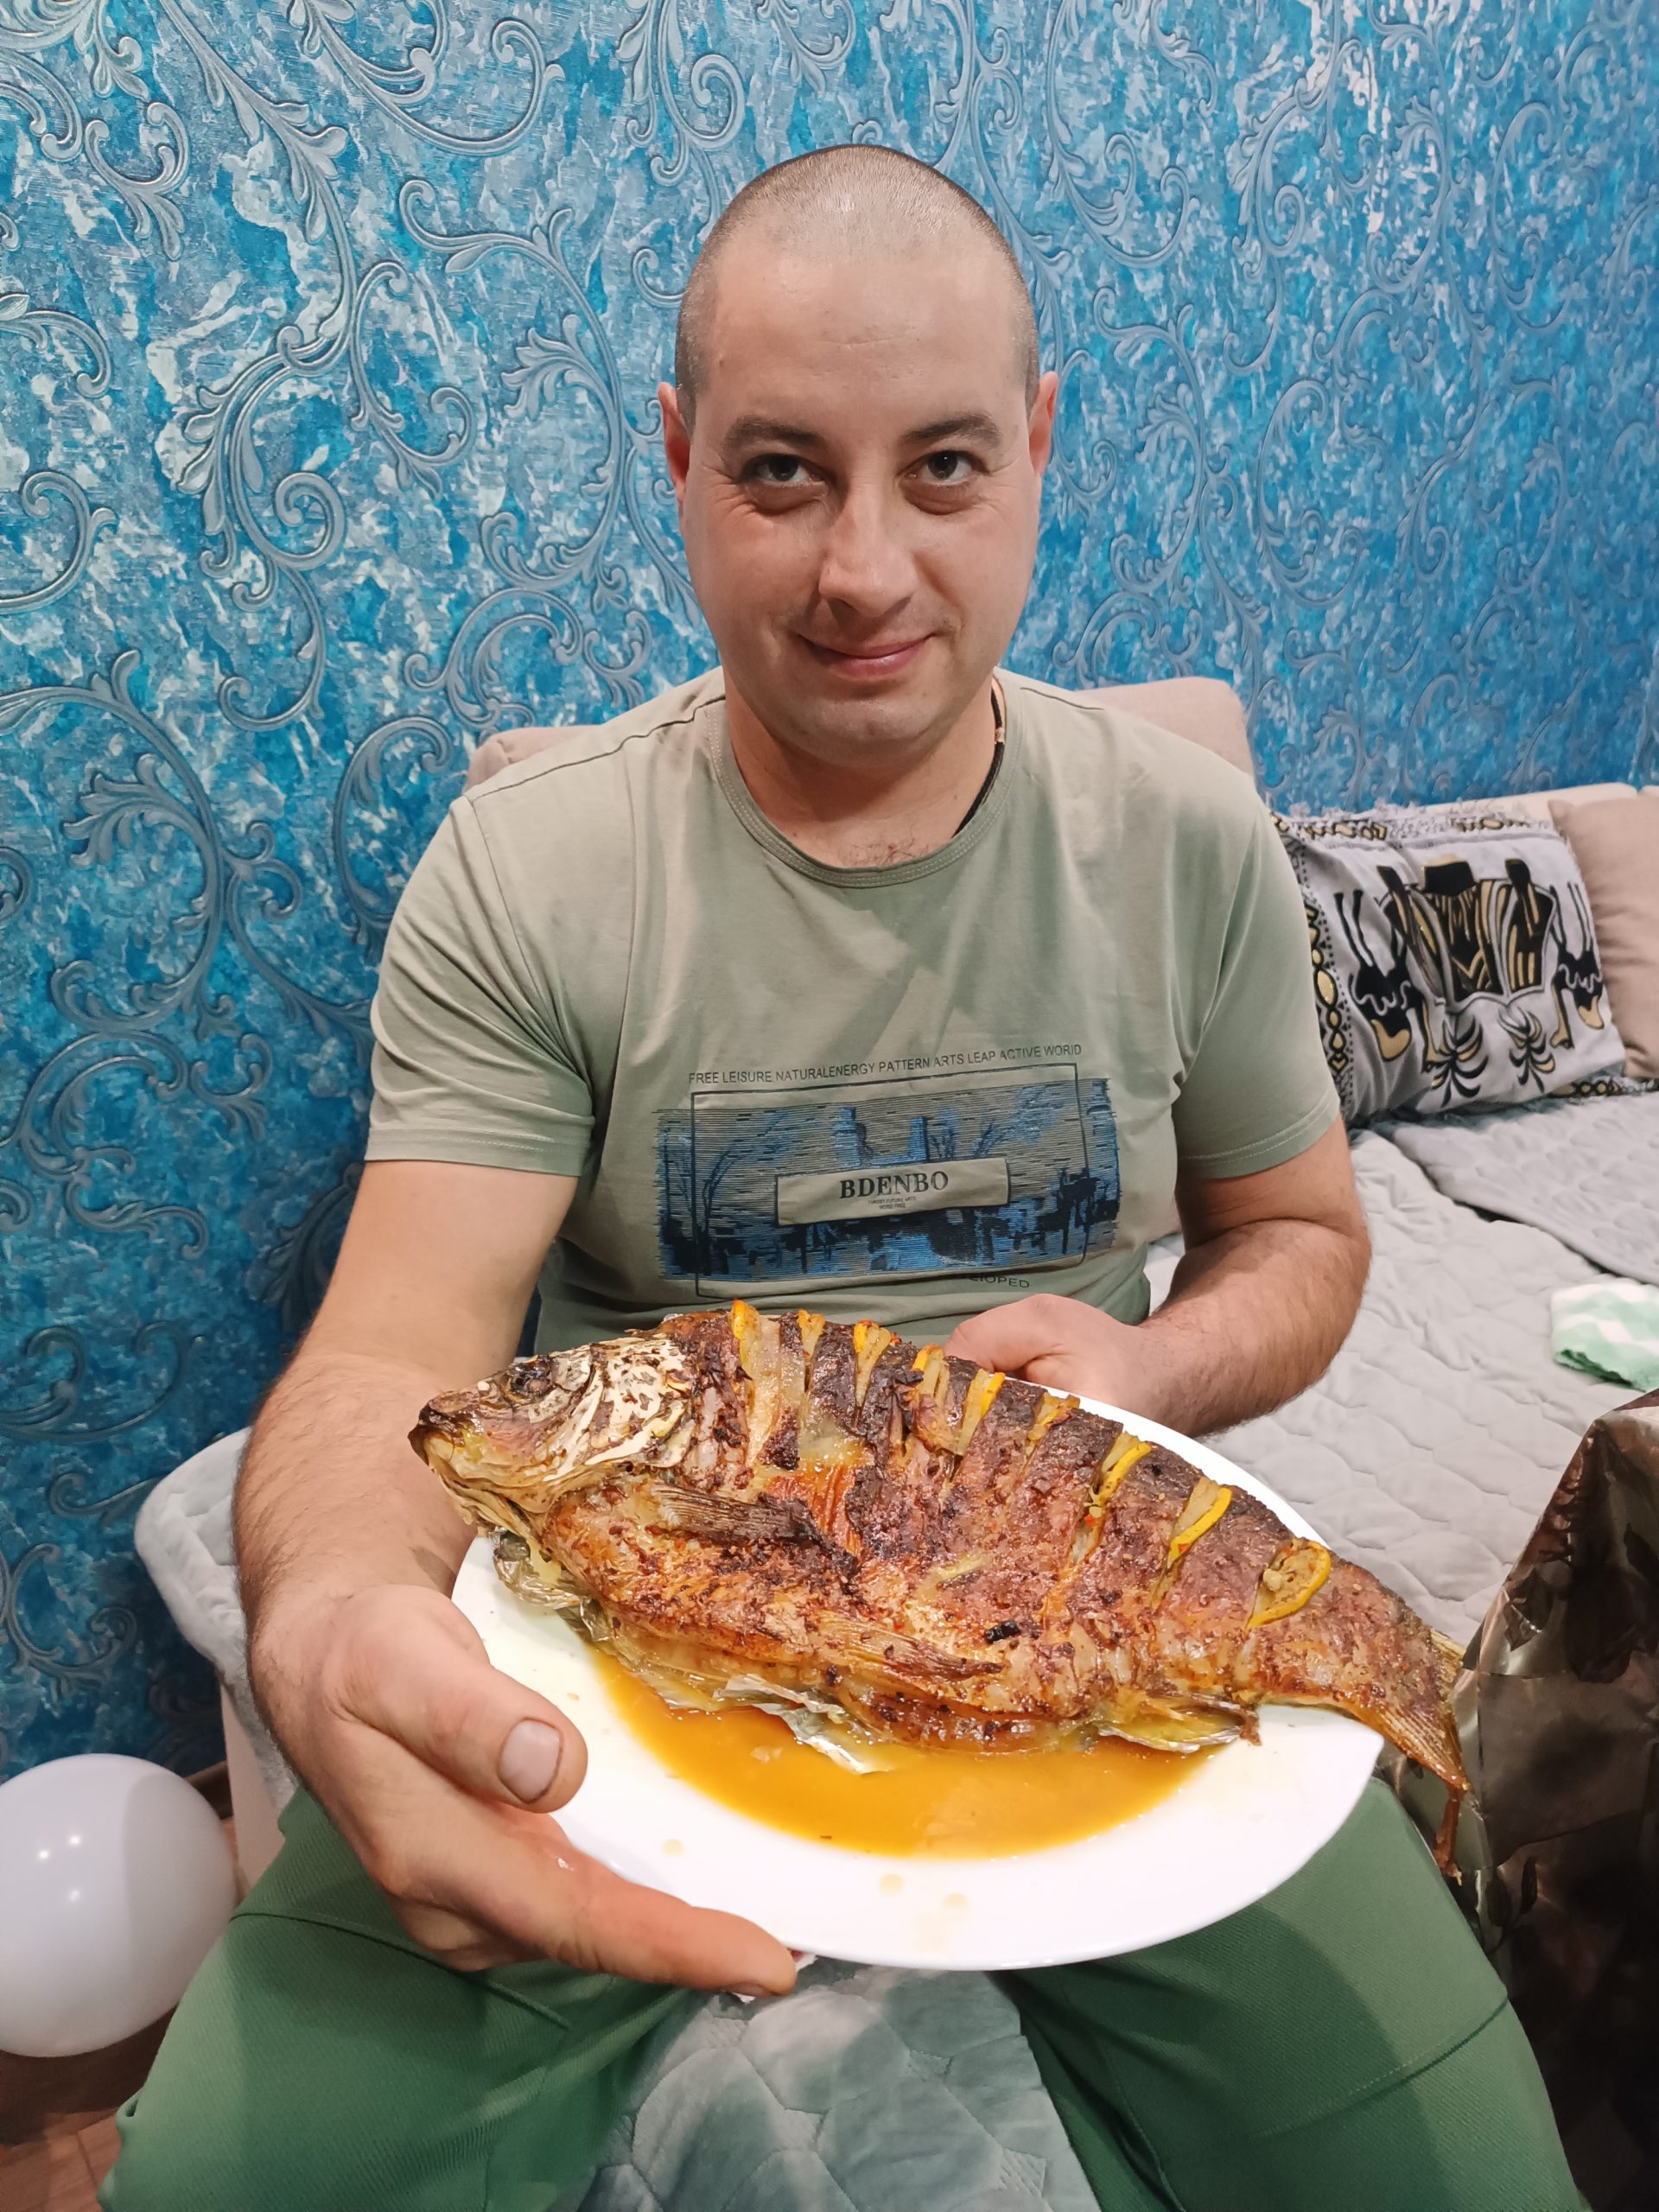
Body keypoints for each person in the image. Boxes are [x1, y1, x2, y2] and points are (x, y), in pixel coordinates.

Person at [103, 143, 1580, 2212]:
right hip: (628, 1632)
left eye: (946, 466)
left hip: (1084, 1612)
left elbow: (1303, 1236)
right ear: (680, 460)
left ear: (1041, 445)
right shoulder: (537, 871)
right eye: (784, 472)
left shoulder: (1186, 840)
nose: (864, 569)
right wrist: (335, 1607)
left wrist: (1147, 1373)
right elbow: (391, 1351)